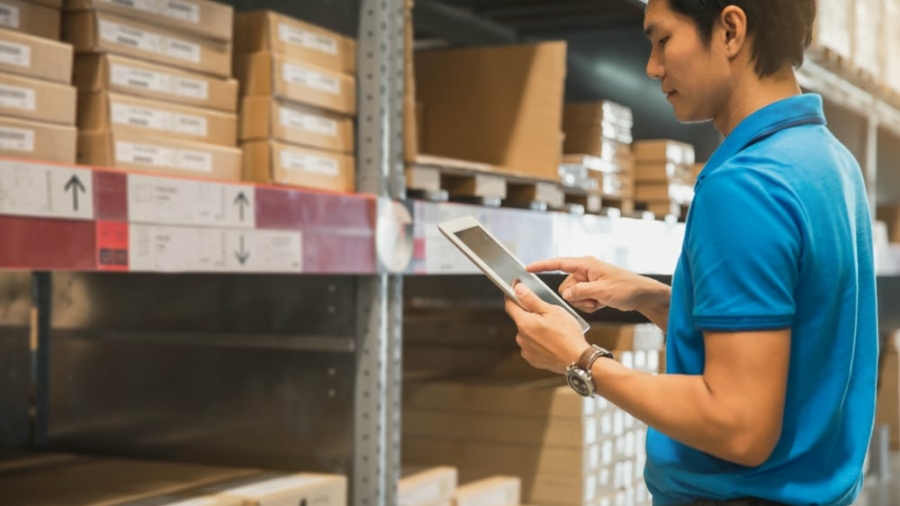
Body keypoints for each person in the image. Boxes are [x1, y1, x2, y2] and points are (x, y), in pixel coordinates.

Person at [503, 1, 878, 505]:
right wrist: (654, 298)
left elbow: (738, 426)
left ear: (729, 30)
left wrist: (580, 358)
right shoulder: (830, 162)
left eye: (662, 40)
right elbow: (795, 341)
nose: (652, 67)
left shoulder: (747, 186)